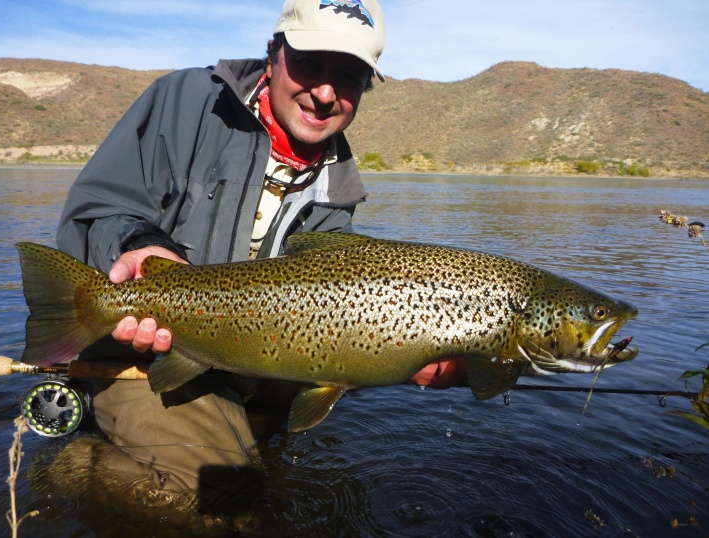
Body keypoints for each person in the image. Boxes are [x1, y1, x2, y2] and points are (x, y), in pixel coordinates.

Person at [55, 0, 465, 499]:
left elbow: (333, 316)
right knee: (222, 496)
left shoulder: (339, 187)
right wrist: (140, 248)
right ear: (273, 54)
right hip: (134, 345)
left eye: (350, 75)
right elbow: (97, 207)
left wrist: (399, 358)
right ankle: (73, 470)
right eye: (310, 63)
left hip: (243, 359)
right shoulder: (185, 100)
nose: (325, 93)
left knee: (270, 475)